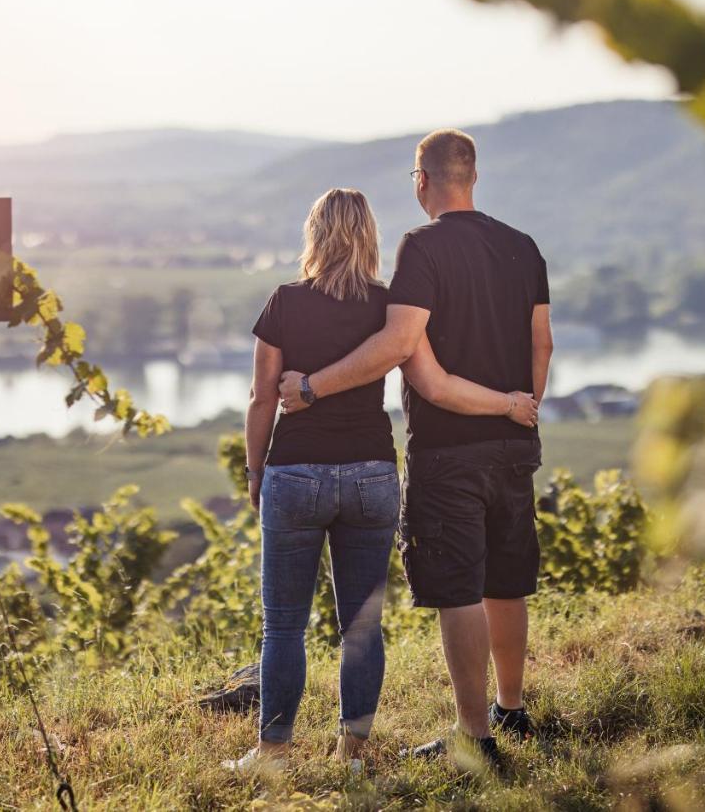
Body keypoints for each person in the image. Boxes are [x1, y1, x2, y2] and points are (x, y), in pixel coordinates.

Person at [225, 187, 537, 774]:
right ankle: (355, 756)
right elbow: (429, 380)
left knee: (284, 624)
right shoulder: (390, 307)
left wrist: (255, 470)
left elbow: (260, 398)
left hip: (294, 474)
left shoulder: (285, 302)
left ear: (313, 235)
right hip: (371, 475)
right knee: (362, 626)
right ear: (367, 236)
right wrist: (506, 403)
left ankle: (274, 753)